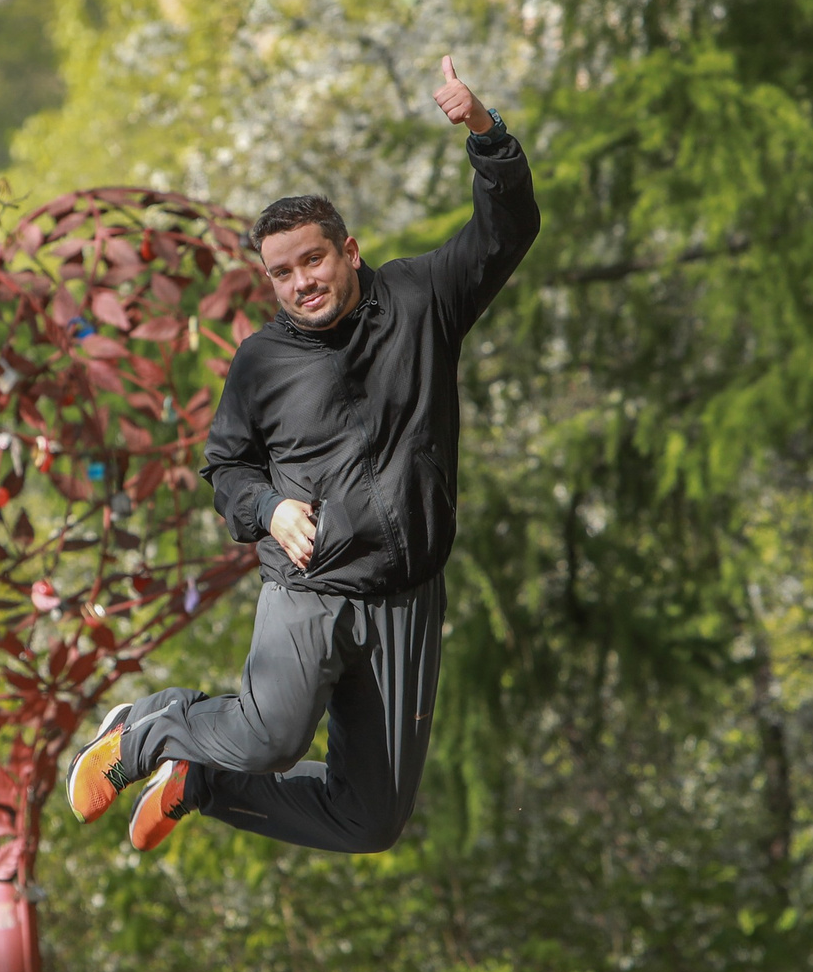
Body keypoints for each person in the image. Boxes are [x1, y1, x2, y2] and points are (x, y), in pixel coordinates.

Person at [66, 55, 539, 853]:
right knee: (269, 738)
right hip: (310, 583)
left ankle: (198, 779)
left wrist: (484, 132)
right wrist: (268, 507)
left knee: (371, 820)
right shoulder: (261, 363)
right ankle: (145, 734)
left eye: (312, 261)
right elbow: (227, 472)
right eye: (281, 273)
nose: (300, 284)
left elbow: (510, 229)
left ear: (349, 251)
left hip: (405, 598)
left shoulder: (424, 301)